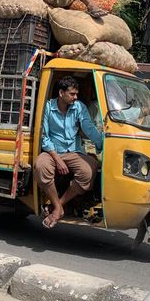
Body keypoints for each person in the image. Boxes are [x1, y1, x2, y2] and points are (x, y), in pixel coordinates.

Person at [34, 75, 103, 228]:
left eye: (76, 94)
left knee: (88, 171)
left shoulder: (79, 107)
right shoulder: (47, 107)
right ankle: (58, 208)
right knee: (41, 166)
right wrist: (57, 159)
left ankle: (58, 205)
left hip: (74, 151)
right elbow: (44, 137)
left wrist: (103, 143)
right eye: (72, 94)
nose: (75, 97)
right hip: (52, 151)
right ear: (61, 93)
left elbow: (89, 128)